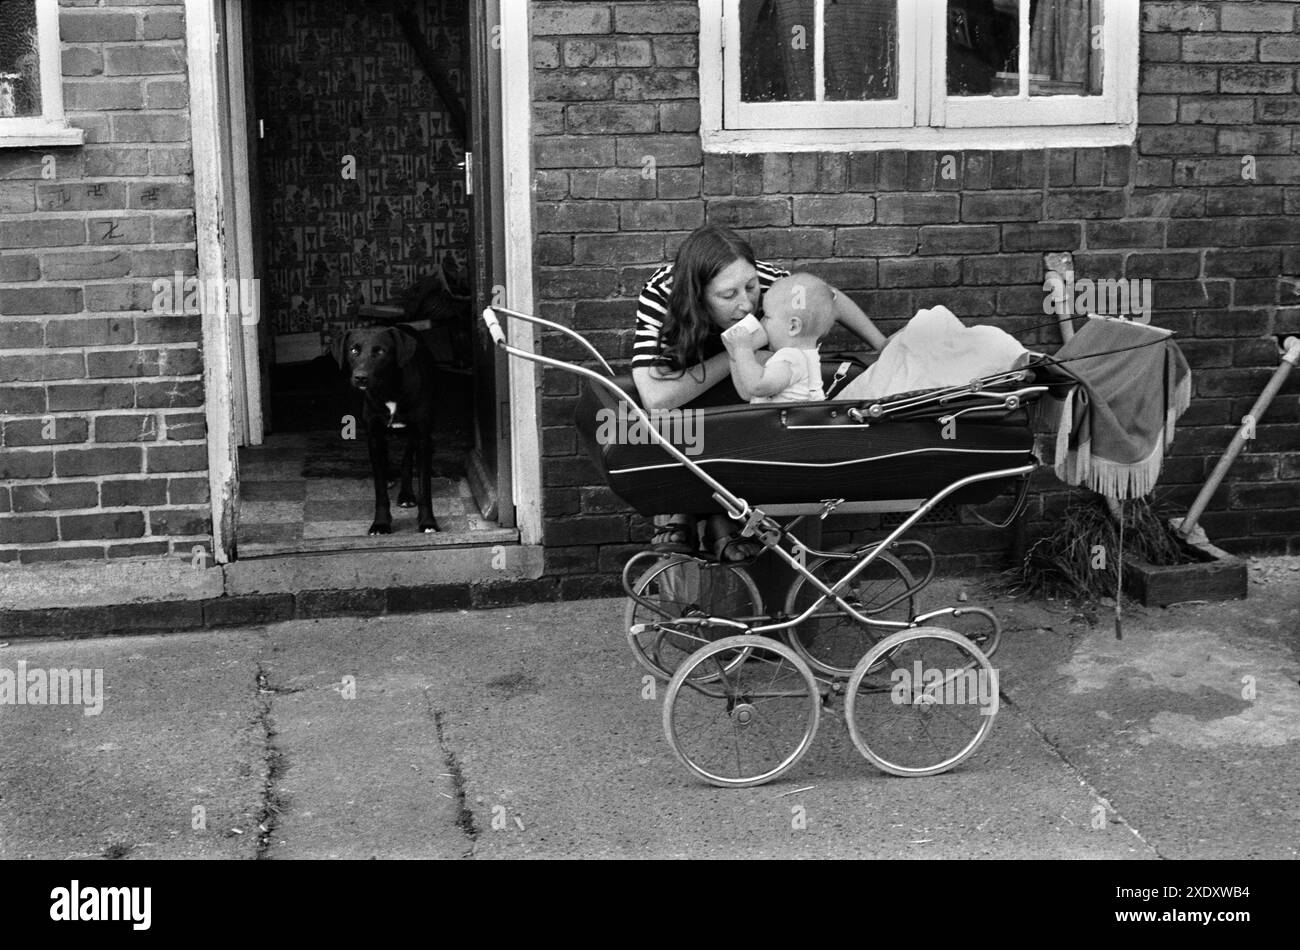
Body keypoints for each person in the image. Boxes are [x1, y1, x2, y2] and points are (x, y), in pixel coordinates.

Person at [632, 226, 887, 561]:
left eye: (750, 288)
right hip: (694, 386)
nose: (746, 303)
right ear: (697, 296)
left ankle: (724, 513)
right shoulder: (662, 295)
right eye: (728, 296)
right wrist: (740, 352)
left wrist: (882, 345)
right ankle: (690, 509)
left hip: (753, 401)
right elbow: (655, 398)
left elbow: (829, 298)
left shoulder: (772, 284)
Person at [724, 273, 836, 404]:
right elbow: (747, 393)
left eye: (766, 316)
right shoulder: (803, 357)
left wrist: (743, 349)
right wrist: (736, 356)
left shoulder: (791, 358)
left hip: (782, 423)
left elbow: (757, 387)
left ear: (793, 326)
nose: (761, 321)